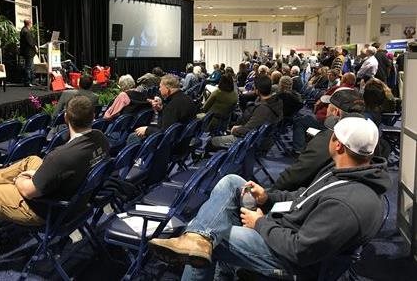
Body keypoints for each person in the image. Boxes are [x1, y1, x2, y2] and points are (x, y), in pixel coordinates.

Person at [149, 117, 390, 281]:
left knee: (217, 236)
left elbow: (300, 250)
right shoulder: (343, 172)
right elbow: (302, 198)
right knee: (232, 181)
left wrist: (261, 223)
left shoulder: (347, 204)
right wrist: (267, 197)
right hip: (286, 226)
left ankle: (199, 239)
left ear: (337, 144)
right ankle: (198, 238)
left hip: (292, 260)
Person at [0, 96, 110, 272]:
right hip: (77, 201)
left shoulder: (62, 156)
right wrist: (36, 174)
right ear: (94, 115)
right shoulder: (100, 138)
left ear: (66, 117)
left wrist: (21, 178)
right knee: (32, 160)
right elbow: (66, 169)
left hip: (49, 209)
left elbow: (29, 192)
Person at [274, 89, 365, 191]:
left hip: (319, 196)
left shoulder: (330, 139)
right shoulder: (370, 139)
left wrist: (268, 197)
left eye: (328, 107)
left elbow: (293, 176)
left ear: (336, 112)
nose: (326, 110)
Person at [210, 75, 283, 151]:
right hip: (259, 137)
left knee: (212, 141)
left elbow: (249, 130)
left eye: (254, 87)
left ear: (257, 90)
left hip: (250, 141)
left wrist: (236, 129)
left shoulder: (263, 109)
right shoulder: (275, 101)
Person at [131, 74, 197, 141]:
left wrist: (146, 130)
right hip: (184, 138)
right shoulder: (188, 99)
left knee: (133, 136)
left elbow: (165, 134)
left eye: (160, 87)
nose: (159, 89)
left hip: (172, 144)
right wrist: (161, 109)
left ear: (167, 89)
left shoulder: (172, 105)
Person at [19, 19, 37, 87]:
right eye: (31, 23)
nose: (31, 24)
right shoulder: (26, 31)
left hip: (29, 52)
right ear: (29, 23)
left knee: (31, 67)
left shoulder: (25, 30)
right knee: (28, 67)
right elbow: (30, 42)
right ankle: (27, 82)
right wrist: (35, 46)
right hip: (28, 52)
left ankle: (32, 81)